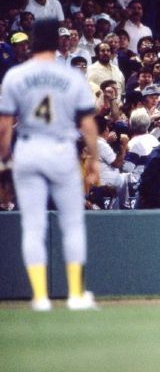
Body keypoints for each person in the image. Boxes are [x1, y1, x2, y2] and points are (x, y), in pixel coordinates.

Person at [0, 18, 99, 311]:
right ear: (58, 43)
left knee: (33, 226)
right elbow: (88, 126)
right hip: (61, 149)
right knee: (72, 225)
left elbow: (4, 127)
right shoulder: (71, 77)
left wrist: (4, 160)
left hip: (29, 148)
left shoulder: (16, 75)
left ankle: (41, 297)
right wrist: (93, 161)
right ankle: (76, 295)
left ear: (30, 41)